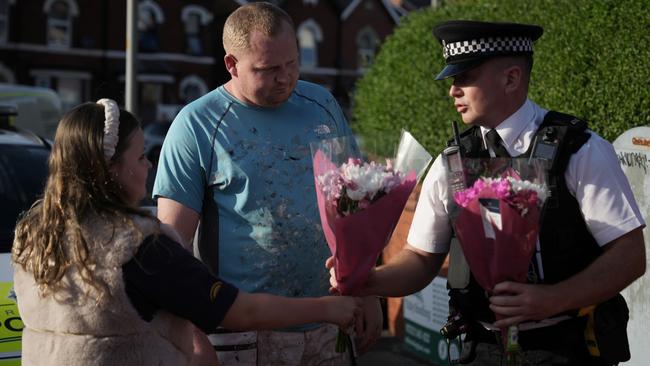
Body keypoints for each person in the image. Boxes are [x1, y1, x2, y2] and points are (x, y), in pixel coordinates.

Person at [328, 20, 646, 365]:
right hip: (480, 348)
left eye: (465, 78)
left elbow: (629, 255)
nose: (453, 91)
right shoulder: (450, 163)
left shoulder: (580, 150)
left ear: (511, 78)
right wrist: (367, 279)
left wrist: (553, 299)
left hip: (568, 348)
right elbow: (420, 259)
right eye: (452, 80)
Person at [11, 99, 363, 366]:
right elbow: (242, 312)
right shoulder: (137, 245)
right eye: (139, 158)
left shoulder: (34, 233)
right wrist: (327, 308)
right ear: (110, 171)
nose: (149, 165)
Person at [152, 2, 382, 365]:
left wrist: (368, 293)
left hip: (330, 322)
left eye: (293, 63)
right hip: (243, 334)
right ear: (232, 64)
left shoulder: (321, 104)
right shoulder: (195, 125)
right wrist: (192, 334)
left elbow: (351, 204)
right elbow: (172, 247)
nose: (285, 77)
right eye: (269, 69)